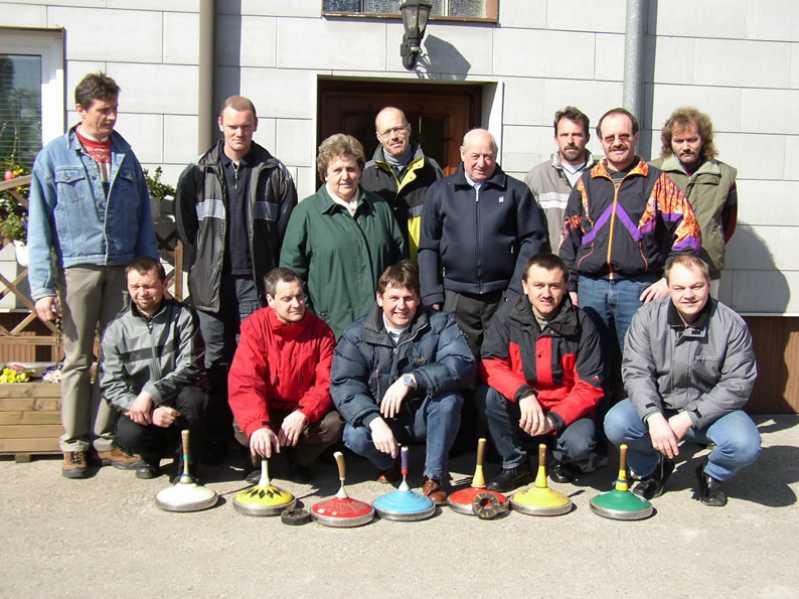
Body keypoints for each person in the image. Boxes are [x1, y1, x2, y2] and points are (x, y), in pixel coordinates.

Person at [27, 72, 158, 478]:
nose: (112, 117)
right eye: (104, 110)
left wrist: (148, 272)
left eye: (115, 109)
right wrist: (42, 289)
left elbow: (143, 219)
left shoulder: (125, 156)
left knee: (117, 357)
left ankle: (105, 438)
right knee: (78, 358)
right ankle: (74, 444)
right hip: (77, 269)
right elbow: (38, 227)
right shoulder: (54, 157)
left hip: (122, 269)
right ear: (80, 109)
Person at [175, 95, 298, 462]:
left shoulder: (275, 173)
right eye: (232, 126)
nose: (239, 133)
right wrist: (202, 267)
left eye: (245, 126)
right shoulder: (197, 173)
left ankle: (250, 445)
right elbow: (187, 229)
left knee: (253, 364)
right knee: (215, 364)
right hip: (211, 285)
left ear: (255, 125)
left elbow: (285, 231)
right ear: (220, 124)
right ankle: (216, 444)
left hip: (255, 285)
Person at [604, 254, 760, 506]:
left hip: (710, 413)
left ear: (708, 284)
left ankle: (711, 473)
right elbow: (636, 371)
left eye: (696, 286)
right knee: (617, 423)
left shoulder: (731, 324)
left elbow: (738, 383)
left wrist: (689, 417)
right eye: (679, 288)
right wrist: (653, 416)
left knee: (745, 445)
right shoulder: (646, 318)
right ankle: (651, 468)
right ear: (668, 287)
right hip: (662, 405)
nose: (688, 295)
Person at [330, 261, 475, 504]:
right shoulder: (356, 335)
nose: (401, 306)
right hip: (383, 418)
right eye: (393, 298)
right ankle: (390, 463)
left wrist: (413, 379)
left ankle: (435, 476)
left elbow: (461, 363)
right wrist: (373, 420)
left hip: (422, 415)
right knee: (354, 434)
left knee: (449, 400)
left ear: (418, 299)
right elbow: (345, 383)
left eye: (408, 298)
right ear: (380, 299)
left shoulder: (440, 324)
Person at [560, 107, 701, 353]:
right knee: (592, 361)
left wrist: (669, 280)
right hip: (590, 288)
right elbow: (570, 238)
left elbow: (688, 232)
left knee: (638, 360)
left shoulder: (658, 182)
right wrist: (569, 286)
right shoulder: (586, 183)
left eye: (623, 136)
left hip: (638, 289)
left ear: (635, 137)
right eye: (610, 137)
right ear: (601, 141)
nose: (617, 142)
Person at [418, 128, 548, 357]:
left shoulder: (516, 192)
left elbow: (533, 241)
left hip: (502, 296)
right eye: (475, 156)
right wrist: (431, 293)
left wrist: (516, 291)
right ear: (462, 154)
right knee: (457, 361)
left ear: (496, 156)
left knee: (498, 360)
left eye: (488, 156)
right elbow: (428, 246)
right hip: (455, 296)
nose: (481, 163)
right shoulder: (440, 192)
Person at [481, 255, 604, 492]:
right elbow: (491, 363)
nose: (546, 293)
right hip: (523, 405)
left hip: (564, 410)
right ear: (525, 286)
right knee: (490, 396)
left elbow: (590, 386)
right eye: (538, 285)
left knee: (580, 445)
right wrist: (523, 394)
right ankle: (515, 464)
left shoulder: (583, 325)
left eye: (554, 286)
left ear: (565, 287)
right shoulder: (506, 317)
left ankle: (561, 459)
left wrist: (554, 419)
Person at [280, 133, 406, 339]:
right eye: (337, 170)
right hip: (329, 331)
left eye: (351, 169)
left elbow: (399, 264)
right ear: (324, 174)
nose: (345, 176)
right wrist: (310, 317)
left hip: (380, 327)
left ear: (360, 171)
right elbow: (291, 273)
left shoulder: (380, 208)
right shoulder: (306, 213)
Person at [228, 267, 343, 480]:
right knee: (243, 425)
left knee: (333, 424)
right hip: (268, 408)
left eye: (299, 296)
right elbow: (245, 380)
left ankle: (299, 462)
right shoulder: (254, 326)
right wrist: (258, 424)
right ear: (271, 300)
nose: (296, 304)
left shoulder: (322, 331)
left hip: (299, 409)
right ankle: (261, 461)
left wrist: (303, 413)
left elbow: (326, 382)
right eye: (287, 299)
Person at [100, 257, 206, 479]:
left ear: (164, 284)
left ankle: (185, 466)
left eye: (148, 286)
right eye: (135, 286)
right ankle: (150, 456)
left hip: (176, 397)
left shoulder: (184, 316)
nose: (142, 293)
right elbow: (110, 385)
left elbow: (191, 367)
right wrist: (145, 409)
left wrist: (152, 393)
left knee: (195, 399)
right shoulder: (116, 329)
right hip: (140, 406)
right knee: (128, 435)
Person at [652, 107, 738, 296]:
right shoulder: (654, 171)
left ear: (703, 140)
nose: (685, 146)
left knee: (706, 313)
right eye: (679, 141)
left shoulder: (725, 175)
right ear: (669, 142)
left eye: (692, 140)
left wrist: (712, 240)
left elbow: (729, 222)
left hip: (707, 265)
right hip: (662, 267)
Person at [361, 106, 443, 259]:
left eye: (398, 129)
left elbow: (445, 221)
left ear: (409, 129)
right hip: (382, 268)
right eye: (387, 132)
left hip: (422, 265)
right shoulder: (365, 175)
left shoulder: (431, 169)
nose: (394, 136)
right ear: (379, 137)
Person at [525, 106, 598, 251]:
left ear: (587, 138)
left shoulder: (601, 176)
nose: (570, 141)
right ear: (556, 138)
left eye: (577, 135)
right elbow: (526, 229)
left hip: (590, 262)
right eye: (564, 135)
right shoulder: (537, 178)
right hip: (550, 262)